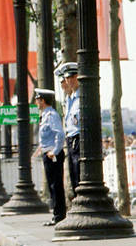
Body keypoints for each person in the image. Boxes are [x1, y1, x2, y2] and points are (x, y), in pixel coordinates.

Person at [32, 88, 66, 226]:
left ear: (43, 100)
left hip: (53, 154)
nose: (36, 102)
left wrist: (55, 151)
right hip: (48, 153)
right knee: (53, 185)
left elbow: (60, 134)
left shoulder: (51, 115)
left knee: (55, 185)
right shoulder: (45, 115)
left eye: (37, 99)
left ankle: (59, 215)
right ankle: (57, 214)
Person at [60, 62, 80, 196]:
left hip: (79, 137)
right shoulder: (70, 99)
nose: (70, 81)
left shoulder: (81, 96)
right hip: (71, 138)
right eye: (68, 78)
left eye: (73, 77)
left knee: (78, 169)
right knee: (73, 171)